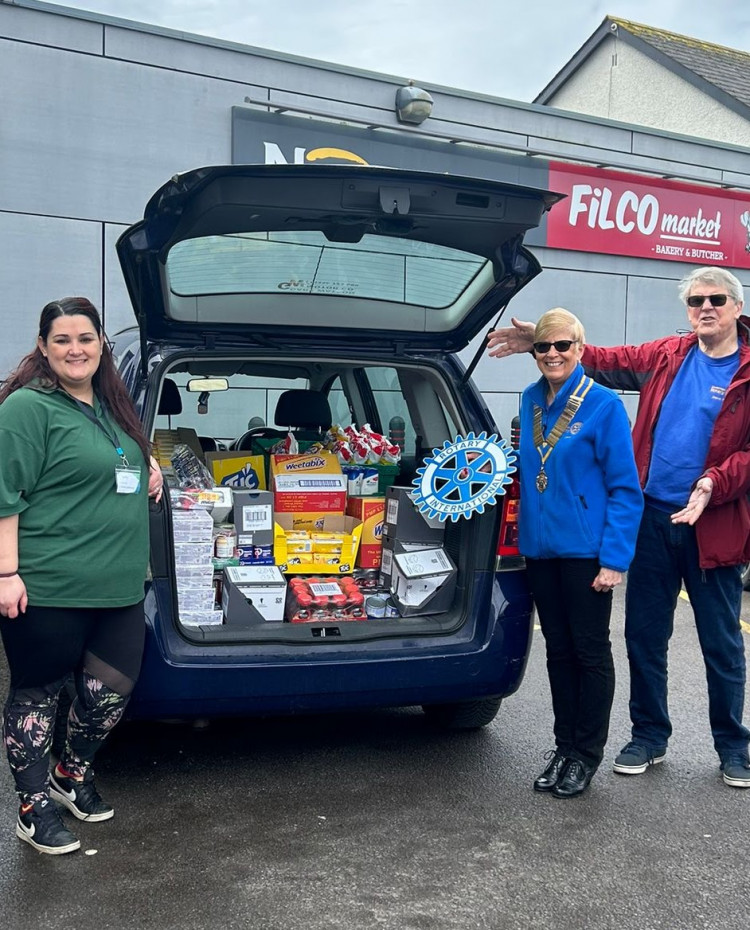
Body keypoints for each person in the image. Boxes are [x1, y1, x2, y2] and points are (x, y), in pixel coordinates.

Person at [488, 266, 750, 789]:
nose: (705, 308)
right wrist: (536, 341)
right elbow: (604, 359)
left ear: (736, 307)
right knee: (644, 636)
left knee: (720, 641)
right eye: (696, 300)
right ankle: (650, 736)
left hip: (712, 520)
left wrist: (712, 484)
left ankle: (732, 746)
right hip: (654, 517)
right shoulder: (669, 355)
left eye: (716, 299)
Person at [0, 297, 163, 855]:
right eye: (63, 340)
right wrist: (5, 573)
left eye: (86, 339)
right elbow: (4, 494)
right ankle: (30, 806)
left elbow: (116, 462)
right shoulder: (28, 408)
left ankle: (70, 775)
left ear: (101, 345)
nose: (76, 349)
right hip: (49, 584)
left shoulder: (113, 405)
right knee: (37, 695)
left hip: (119, 585)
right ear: (44, 347)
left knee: (108, 694)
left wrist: (150, 467)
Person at [511, 308, 643, 798]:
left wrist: (614, 559)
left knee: (589, 653)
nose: (552, 355)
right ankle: (563, 747)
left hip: (587, 552)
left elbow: (626, 490)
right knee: (558, 652)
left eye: (562, 346)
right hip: (541, 549)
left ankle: (586, 754)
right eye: (543, 347)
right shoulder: (530, 400)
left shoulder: (604, 405)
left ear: (580, 350)